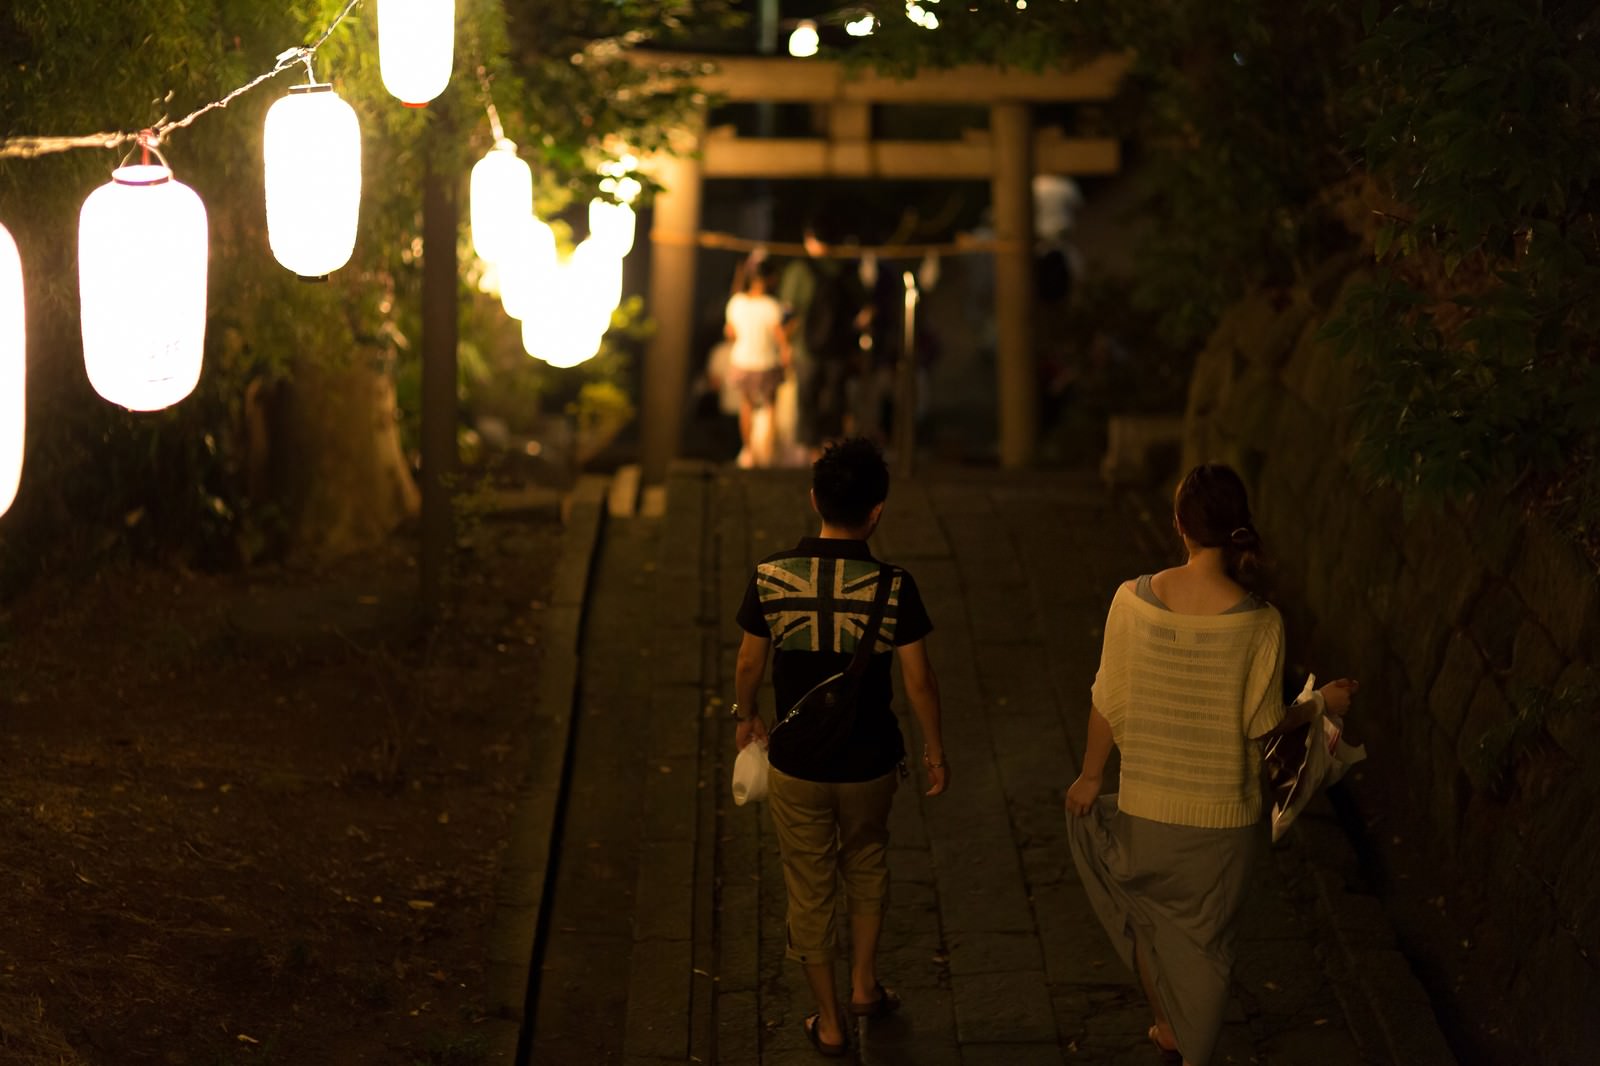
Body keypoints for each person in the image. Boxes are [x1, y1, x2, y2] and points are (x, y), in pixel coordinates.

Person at [1064, 463, 1357, 1066]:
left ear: (1179, 525)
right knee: (1207, 944)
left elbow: (1107, 701)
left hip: (1146, 810)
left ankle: (1168, 1025)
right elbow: (1260, 727)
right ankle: (1193, 1045)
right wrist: (1321, 704)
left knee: (1148, 922)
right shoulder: (1260, 622)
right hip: (1224, 824)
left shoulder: (1131, 601)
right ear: (1237, 530)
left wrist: (1092, 776)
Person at [732, 438, 949, 1058]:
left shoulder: (771, 577)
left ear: (814, 499)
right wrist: (934, 751)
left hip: (796, 760)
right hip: (870, 761)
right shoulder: (894, 586)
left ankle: (828, 1022)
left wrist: (745, 718)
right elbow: (919, 682)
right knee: (867, 862)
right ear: (876, 511)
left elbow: (750, 661)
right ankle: (864, 986)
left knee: (808, 885)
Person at [779, 224, 859, 453]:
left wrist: (785, 346)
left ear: (810, 238)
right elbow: (860, 309)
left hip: (806, 347)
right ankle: (831, 451)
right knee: (835, 399)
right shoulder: (845, 268)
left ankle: (810, 454)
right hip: (839, 348)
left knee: (807, 400)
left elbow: (788, 311)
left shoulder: (799, 269)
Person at [724, 258, 789, 467]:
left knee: (746, 405)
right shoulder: (772, 306)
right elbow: (781, 338)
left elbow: (731, 334)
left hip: (742, 361)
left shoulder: (736, 303)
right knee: (770, 406)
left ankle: (749, 451)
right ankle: (768, 453)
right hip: (767, 363)